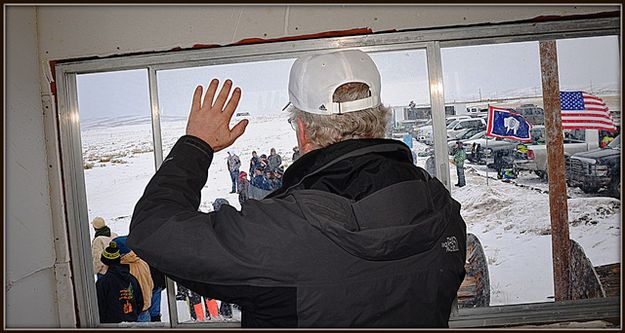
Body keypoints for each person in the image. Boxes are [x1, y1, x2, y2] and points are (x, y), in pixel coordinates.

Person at [128, 50, 466, 327]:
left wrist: (196, 145)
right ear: (379, 118)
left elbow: (154, 231)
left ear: (302, 129)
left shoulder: (281, 233)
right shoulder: (442, 210)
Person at [96, 241, 144, 323]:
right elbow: (140, 303)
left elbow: (99, 307)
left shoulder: (103, 282)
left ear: (105, 262)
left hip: (111, 326)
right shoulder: (132, 279)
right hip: (132, 324)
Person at [113, 236, 154, 322]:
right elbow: (151, 284)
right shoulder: (142, 262)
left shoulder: (122, 269)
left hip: (131, 312)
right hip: (145, 309)